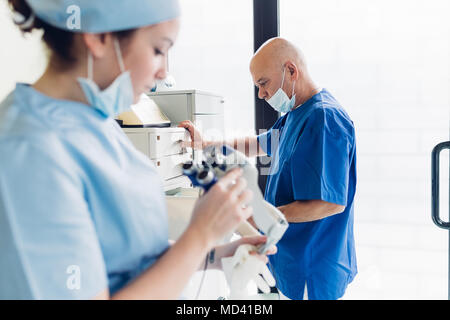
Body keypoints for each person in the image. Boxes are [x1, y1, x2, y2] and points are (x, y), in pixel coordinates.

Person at [0, 0, 275, 300]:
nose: (163, 73)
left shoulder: (98, 123)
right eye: (158, 50)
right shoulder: (29, 148)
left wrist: (215, 254)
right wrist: (199, 235)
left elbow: (128, 257)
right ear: (99, 36)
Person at [179, 37, 357, 300]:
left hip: (313, 264)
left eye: (264, 83)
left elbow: (329, 204)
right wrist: (205, 144)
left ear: (291, 71)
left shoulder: (324, 119)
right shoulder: (296, 113)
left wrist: (262, 217)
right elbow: (259, 144)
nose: (261, 94)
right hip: (291, 259)